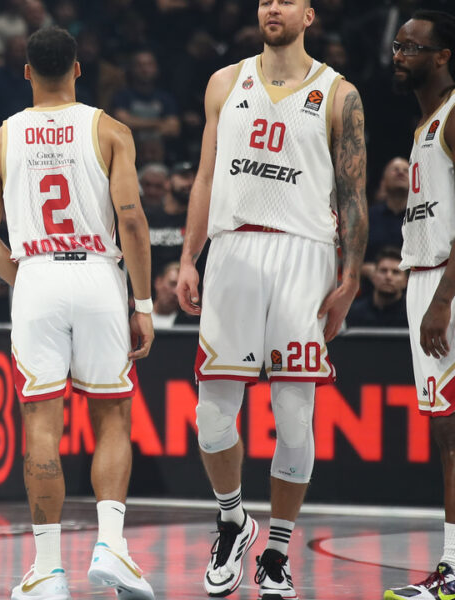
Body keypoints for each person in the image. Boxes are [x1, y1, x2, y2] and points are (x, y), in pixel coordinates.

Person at [174, 0, 367, 597]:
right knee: (211, 419)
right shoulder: (224, 81)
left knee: (293, 416)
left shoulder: (339, 93)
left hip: (305, 253)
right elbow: (206, 176)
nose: (271, 7)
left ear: (310, 14)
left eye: (284, 0)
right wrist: (187, 256)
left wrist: (352, 275)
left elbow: (353, 189)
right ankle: (233, 521)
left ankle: (277, 551)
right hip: (232, 249)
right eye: (264, 0)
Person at [0, 26, 155, 600]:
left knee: (42, 424)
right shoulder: (110, 129)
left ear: (26, 72)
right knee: (112, 417)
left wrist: (24, 278)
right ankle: (112, 547)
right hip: (99, 274)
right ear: (79, 69)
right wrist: (143, 304)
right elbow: (133, 222)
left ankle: (48, 568)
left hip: (38, 276)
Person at [385, 11, 455, 600]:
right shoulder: (424, 125)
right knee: (444, 434)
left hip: (444, 286)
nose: (398, 53)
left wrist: (442, 300)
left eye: (412, 46)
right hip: (426, 282)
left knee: (452, 435)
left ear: (443, 56)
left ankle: (453, 570)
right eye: (397, 44)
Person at [346, 247, 407, 328]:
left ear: (406, 281)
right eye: (383, 271)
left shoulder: (411, 315)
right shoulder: (353, 312)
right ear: (373, 276)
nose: (388, 276)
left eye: (395, 272)